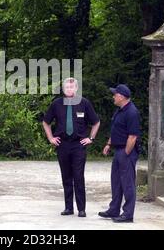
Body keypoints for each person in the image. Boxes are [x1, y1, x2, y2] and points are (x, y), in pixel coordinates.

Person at [42, 77, 100, 217]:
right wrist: (50, 138)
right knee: (66, 177)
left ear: (76, 88)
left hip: (78, 145)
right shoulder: (56, 104)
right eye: (66, 87)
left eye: (71, 87)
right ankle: (68, 208)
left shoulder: (84, 103)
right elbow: (45, 122)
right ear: (63, 89)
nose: (69, 89)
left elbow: (96, 122)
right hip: (62, 145)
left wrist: (90, 138)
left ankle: (81, 209)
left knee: (78, 176)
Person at [99, 84, 141, 223]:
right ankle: (114, 209)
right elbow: (115, 130)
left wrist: (126, 153)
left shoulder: (132, 112)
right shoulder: (120, 110)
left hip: (126, 151)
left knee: (127, 183)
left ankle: (128, 214)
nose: (113, 96)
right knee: (116, 182)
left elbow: (133, 136)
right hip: (118, 150)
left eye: (115, 94)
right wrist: (109, 144)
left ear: (121, 97)